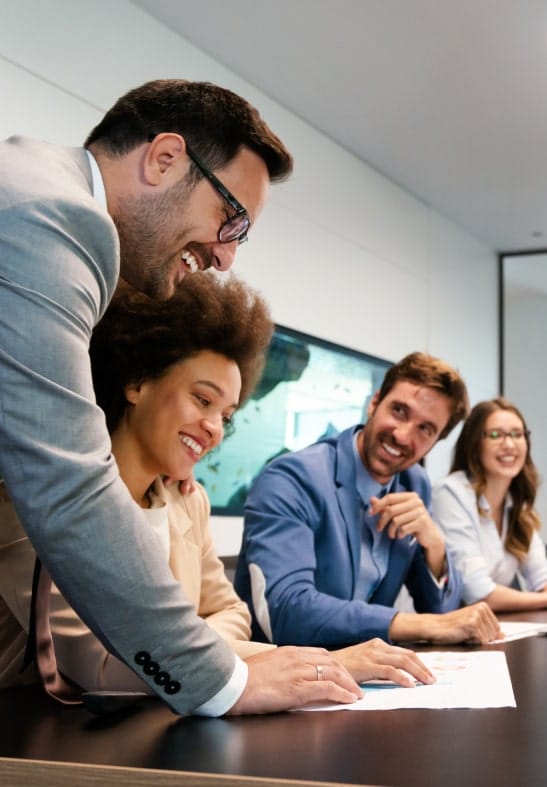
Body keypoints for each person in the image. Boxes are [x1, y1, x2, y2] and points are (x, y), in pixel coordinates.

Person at [0, 78, 362, 716]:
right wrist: (226, 681)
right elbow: (67, 488)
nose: (224, 257)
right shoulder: (56, 219)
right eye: (232, 220)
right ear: (164, 158)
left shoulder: (32, 185)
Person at [0, 273, 433, 696]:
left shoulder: (188, 501)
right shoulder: (33, 492)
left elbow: (231, 611)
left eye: (226, 416)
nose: (213, 429)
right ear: (137, 381)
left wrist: (193, 643)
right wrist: (323, 662)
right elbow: (98, 665)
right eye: (203, 400)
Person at [235, 352, 502, 647]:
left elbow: (442, 614)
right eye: (399, 410)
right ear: (374, 403)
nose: (402, 435)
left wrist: (435, 546)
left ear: (434, 442)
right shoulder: (291, 479)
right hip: (289, 674)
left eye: (425, 429)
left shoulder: (414, 483)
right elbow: (286, 613)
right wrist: (412, 623)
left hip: (368, 673)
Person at [431, 397, 547, 611]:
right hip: (437, 633)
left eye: (517, 434)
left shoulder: (517, 504)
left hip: (490, 629)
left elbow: (542, 580)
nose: (509, 444)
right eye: (495, 435)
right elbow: (478, 594)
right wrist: (542, 600)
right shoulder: (451, 493)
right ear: (475, 444)